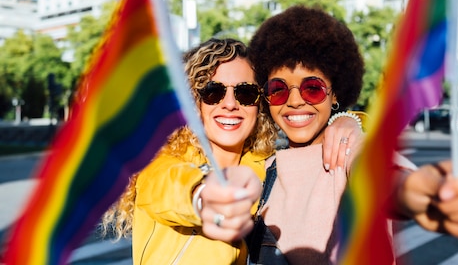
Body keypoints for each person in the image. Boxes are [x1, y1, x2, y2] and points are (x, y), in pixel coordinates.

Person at [200, 6, 458, 264]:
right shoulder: (262, 167)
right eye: (278, 89)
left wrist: (419, 193)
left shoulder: (348, 150)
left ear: (335, 92)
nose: (295, 101)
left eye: (311, 87)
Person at [100, 38, 364, 264]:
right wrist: (205, 195)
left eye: (246, 93)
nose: (230, 104)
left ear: (259, 105)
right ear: (194, 102)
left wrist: (346, 120)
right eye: (213, 92)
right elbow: (168, 187)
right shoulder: (160, 162)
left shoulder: (267, 166)